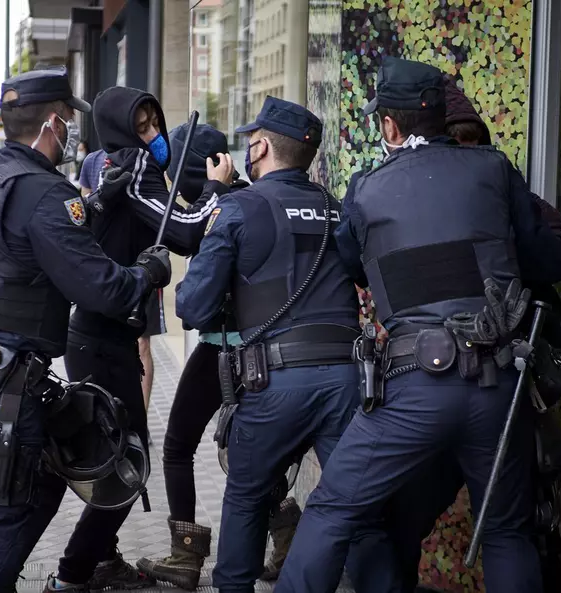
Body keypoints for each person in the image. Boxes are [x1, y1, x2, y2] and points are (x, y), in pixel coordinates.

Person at [274, 57, 561, 593]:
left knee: (334, 510)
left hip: (413, 386)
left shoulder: (366, 189)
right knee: (507, 532)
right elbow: (548, 261)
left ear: (389, 126)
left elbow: (355, 266)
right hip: (498, 384)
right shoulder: (495, 170)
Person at [0, 68, 171, 593]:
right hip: (1, 384)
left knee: (42, 486)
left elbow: (27, 239)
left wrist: (97, 203)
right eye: (66, 119)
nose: (70, 129)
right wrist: (147, 273)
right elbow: (103, 288)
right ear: (51, 124)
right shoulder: (45, 194)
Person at [371, 74, 561, 593]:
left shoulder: (498, 190)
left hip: (492, 381)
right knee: (410, 518)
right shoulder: (417, 200)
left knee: (521, 526)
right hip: (448, 382)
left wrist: (503, 258)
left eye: (468, 143)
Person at [174, 96, 366, 593]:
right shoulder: (337, 209)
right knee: (355, 504)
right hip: (346, 382)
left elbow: (193, 307)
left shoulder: (238, 208)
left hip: (274, 383)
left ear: (259, 148)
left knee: (246, 496)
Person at [51, 86, 231, 592]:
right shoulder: (134, 170)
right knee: (127, 465)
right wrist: (216, 188)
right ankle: (72, 573)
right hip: (100, 340)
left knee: (115, 461)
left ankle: (101, 560)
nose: (153, 135)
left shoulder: (116, 169)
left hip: (102, 337)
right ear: (120, 130)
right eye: (142, 127)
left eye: (155, 123)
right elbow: (187, 232)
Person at [135, 122, 253, 589]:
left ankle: (185, 556)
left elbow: (198, 298)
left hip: (222, 345)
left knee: (178, 445)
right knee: (255, 450)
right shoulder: (252, 198)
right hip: (261, 347)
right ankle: (285, 537)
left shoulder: (215, 209)